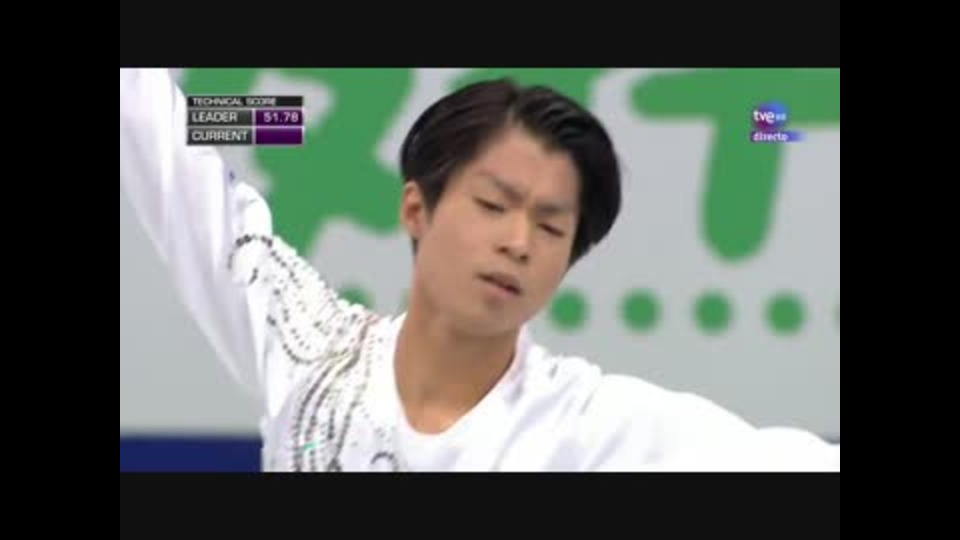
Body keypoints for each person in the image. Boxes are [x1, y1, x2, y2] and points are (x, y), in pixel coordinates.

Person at [120, 68, 839, 472]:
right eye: (494, 205)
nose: (518, 242)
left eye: (551, 227)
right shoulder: (309, 351)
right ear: (416, 208)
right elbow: (155, 130)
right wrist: (279, 117)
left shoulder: (593, 425)